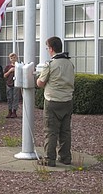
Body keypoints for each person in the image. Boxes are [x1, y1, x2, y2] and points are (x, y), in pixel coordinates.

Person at [36, 36, 75, 167]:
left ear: (51, 49)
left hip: (52, 101)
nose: (47, 50)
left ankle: (49, 159)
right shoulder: (69, 63)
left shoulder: (50, 64)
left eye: (47, 48)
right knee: (65, 130)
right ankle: (65, 157)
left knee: (51, 131)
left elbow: (40, 83)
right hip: (67, 100)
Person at [4, 53, 20, 118]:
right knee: (9, 98)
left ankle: (14, 111)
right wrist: (10, 71)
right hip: (9, 84)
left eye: (14, 58)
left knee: (15, 98)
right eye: (11, 58)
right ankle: (9, 111)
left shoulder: (19, 66)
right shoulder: (8, 67)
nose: (13, 59)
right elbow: (4, 75)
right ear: (10, 59)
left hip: (16, 84)